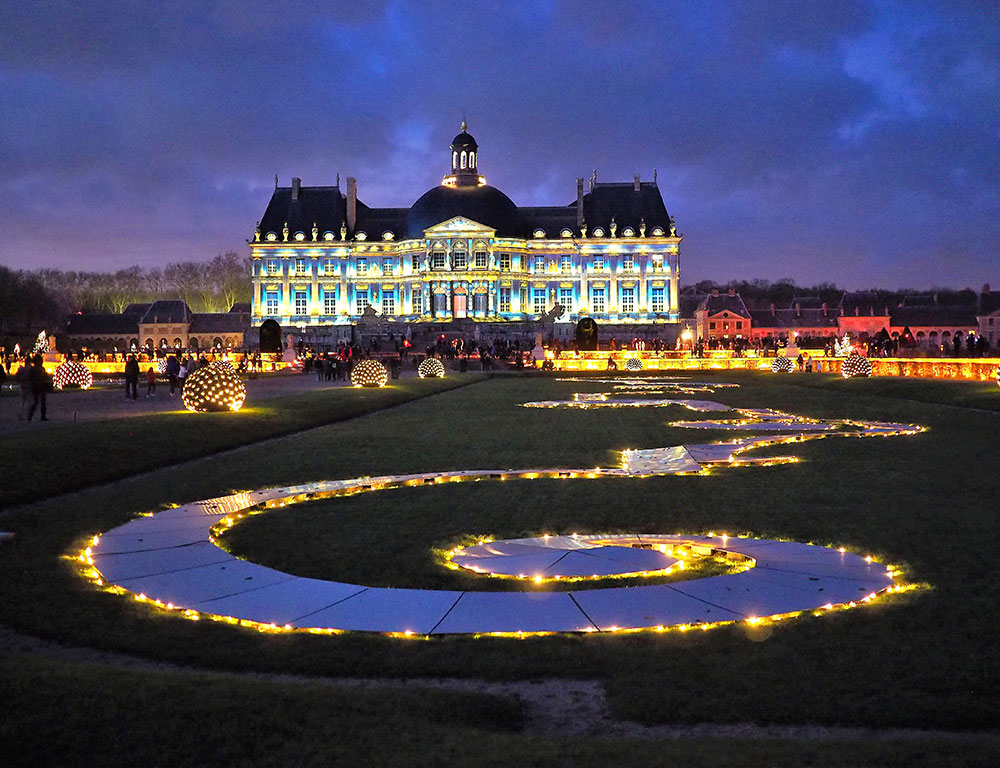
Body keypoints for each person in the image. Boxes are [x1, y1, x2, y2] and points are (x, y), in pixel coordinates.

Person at [27, 354, 50, 421]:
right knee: (39, 401)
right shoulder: (36, 369)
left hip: (38, 386)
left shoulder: (34, 369)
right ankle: (36, 415)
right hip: (38, 386)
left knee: (39, 402)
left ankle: (32, 415)